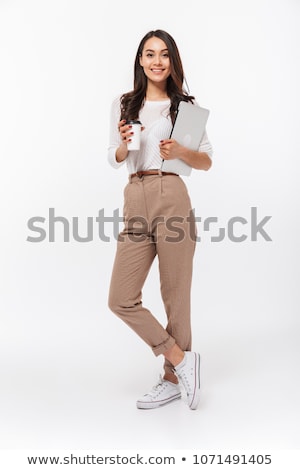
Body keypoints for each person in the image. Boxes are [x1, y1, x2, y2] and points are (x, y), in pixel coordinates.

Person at [107, 30, 213, 410]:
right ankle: (182, 359)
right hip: (135, 195)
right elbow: (114, 156)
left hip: (172, 193)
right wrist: (123, 144)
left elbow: (205, 161)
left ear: (172, 61)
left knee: (175, 297)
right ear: (140, 60)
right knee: (120, 298)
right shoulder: (125, 104)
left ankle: (172, 379)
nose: (157, 61)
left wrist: (182, 149)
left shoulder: (185, 106)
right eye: (149, 54)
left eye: (164, 55)